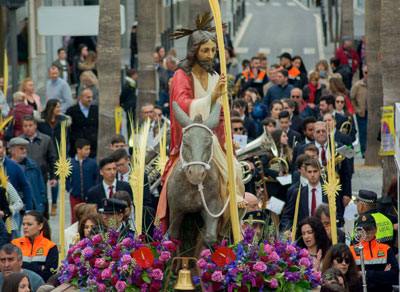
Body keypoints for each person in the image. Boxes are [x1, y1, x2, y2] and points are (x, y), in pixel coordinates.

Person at [157, 18, 247, 234]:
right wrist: (211, 98)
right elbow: (182, 105)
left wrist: (227, 137)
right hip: (190, 134)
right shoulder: (181, 76)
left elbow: (223, 113)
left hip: (212, 135)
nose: (210, 55)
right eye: (205, 50)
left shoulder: (216, 76)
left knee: (234, 167)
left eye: (213, 50)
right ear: (194, 51)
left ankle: (230, 218)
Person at [37, 99, 71, 216]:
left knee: (55, 178)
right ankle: (45, 202)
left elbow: (66, 138)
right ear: (51, 108)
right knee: (45, 177)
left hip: (58, 153)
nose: (59, 109)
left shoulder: (63, 121)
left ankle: (54, 204)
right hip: (45, 152)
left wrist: (65, 153)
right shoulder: (41, 121)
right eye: (57, 107)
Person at [19, 115, 57, 219]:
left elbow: (52, 159)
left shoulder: (46, 140)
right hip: (23, 178)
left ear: (35, 125)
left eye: (30, 125)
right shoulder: (19, 141)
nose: (28, 128)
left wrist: (53, 176)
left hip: (41, 177)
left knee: (41, 201)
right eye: (25, 126)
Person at [349, 213, 399, 292]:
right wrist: (382, 276)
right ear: (357, 231)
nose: (366, 232)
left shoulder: (386, 249)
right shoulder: (351, 251)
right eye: (362, 229)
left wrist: (365, 274)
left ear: (375, 229)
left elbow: (394, 276)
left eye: (369, 229)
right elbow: (351, 280)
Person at [12, 211, 58, 282]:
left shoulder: (51, 246)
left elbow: (49, 274)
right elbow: (11, 267)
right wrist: (38, 267)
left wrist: (22, 266)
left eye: (29, 224)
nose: (25, 227)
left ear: (40, 226)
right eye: (23, 224)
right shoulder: (15, 243)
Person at [8, 138, 47, 216]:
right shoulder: (5, 166)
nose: (24, 150)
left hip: (30, 208)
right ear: (12, 150)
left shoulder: (33, 165)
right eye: (21, 148)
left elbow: (41, 187)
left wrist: (41, 203)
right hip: (13, 210)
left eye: (25, 148)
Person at [0, 138, 33, 226]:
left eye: (0, 147)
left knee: (14, 237)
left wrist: (29, 210)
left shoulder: (15, 166)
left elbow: (26, 187)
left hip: (11, 211)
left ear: (4, 149)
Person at [66, 139, 99, 223]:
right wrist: (70, 189)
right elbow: (65, 178)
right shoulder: (70, 163)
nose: (88, 151)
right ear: (78, 150)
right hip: (75, 196)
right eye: (86, 149)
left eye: (89, 149)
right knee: (75, 217)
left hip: (89, 197)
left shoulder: (92, 163)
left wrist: (94, 189)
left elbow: (97, 177)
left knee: (90, 217)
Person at [66, 87, 99, 158]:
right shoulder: (71, 111)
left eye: (91, 97)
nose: (90, 99)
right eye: (88, 97)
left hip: (92, 148)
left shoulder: (95, 110)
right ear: (80, 98)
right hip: (77, 148)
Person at [350, 65, 368, 157]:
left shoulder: (375, 85)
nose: (367, 75)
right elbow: (352, 98)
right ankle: (364, 150)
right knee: (363, 131)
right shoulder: (358, 85)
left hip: (371, 113)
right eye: (365, 73)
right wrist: (356, 109)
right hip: (362, 112)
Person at [120, 69, 137, 136]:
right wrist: (122, 103)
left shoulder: (131, 83)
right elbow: (123, 94)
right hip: (129, 105)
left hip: (131, 105)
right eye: (135, 74)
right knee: (130, 122)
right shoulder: (128, 84)